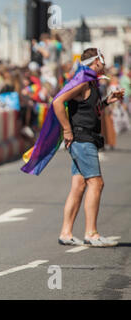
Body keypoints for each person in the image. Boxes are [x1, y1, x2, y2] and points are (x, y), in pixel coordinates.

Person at [52, 48, 124, 247]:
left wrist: (108, 100)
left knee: (79, 185)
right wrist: (67, 130)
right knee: (96, 183)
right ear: (96, 61)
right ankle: (91, 233)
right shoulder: (82, 80)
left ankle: (66, 233)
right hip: (82, 139)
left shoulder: (91, 81)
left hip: (86, 137)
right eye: (103, 58)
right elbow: (58, 102)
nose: (105, 62)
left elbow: (90, 109)